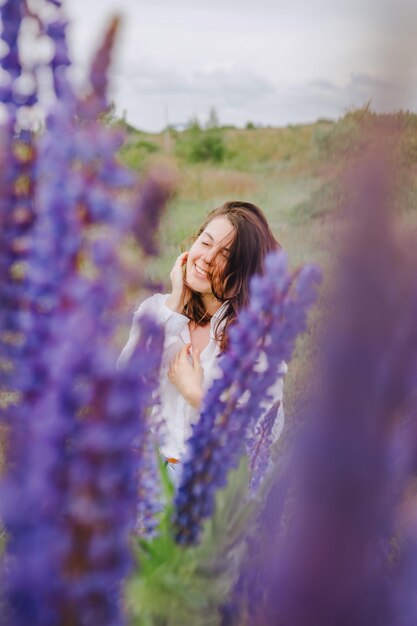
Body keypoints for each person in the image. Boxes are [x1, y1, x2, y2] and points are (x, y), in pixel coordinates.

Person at [118, 200, 287, 471]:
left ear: (244, 274)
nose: (207, 258)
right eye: (206, 243)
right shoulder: (155, 312)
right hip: (159, 477)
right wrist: (174, 306)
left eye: (225, 255)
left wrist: (196, 394)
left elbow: (263, 433)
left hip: (222, 484)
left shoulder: (257, 340)